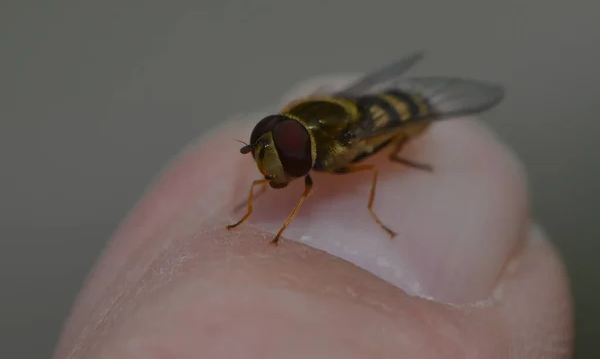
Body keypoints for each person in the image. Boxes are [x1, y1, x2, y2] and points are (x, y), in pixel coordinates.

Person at [53, 75, 574, 358]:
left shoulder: (337, 149)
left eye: (275, 148)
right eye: (266, 146)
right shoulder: (292, 141)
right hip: (354, 105)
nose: (267, 158)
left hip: (386, 117)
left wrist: (366, 210)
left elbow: (364, 170)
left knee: (379, 159)